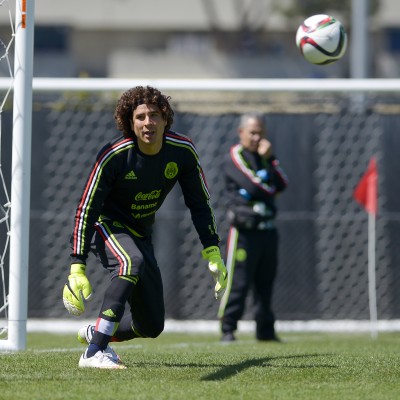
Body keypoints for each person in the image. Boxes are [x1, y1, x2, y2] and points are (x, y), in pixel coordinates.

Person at [62, 85, 227, 369]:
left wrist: (212, 250)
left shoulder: (183, 152)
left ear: (166, 118)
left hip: (141, 233)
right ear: (130, 122)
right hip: (108, 226)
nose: (148, 122)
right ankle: (94, 353)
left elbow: (200, 203)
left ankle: (98, 333)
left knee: (150, 325)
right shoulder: (114, 155)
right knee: (130, 262)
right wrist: (77, 264)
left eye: (154, 115)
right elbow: (87, 208)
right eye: (140, 117)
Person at [218, 112, 288, 342]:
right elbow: (257, 187)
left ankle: (265, 331)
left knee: (265, 283)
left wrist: (269, 160)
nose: (257, 137)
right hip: (244, 231)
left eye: (261, 132)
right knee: (238, 283)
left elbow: (283, 184)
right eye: (252, 132)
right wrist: (269, 190)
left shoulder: (266, 156)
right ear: (241, 133)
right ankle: (228, 329)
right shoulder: (235, 156)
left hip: (267, 230)